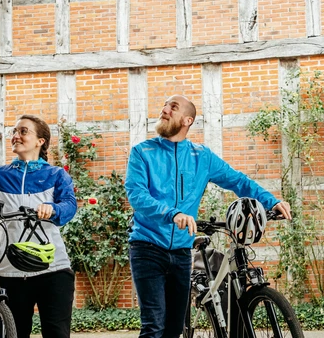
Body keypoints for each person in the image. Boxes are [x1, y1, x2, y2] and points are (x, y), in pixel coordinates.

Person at [125, 95, 292, 338]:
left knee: (173, 329)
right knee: (154, 325)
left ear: (187, 120)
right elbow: (137, 195)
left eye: (173, 107)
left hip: (182, 251)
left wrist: (272, 201)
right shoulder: (143, 152)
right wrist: (172, 214)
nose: (164, 109)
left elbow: (238, 180)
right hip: (147, 247)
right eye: (164, 105)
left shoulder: (201, 156)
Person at [0, 115, 77, 338]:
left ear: (41, 141)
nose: (15, 136)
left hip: (53, 269)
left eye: (23, 131)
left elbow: (70, 206)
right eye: (14, 131)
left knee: (57, 333)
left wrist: (53, 209)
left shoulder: (56, 175)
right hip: (11, 271)